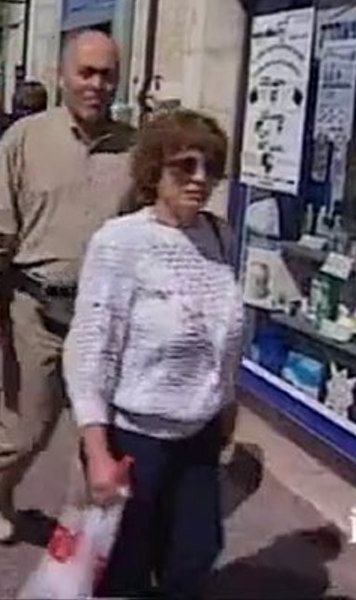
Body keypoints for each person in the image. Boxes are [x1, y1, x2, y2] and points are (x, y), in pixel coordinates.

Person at [63, 107, 244, 598]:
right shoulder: (121, 242)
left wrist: (226, 405)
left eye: (210, 167)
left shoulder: (220, 237)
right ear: (153, 171)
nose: (199, 179)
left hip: (199, 434)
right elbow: (89, 353)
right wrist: (98, 452)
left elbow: (223, 336)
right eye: (184, 166)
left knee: (195, 555)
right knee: (124, 568)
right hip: (135, 438)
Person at [0, 30, 136, 543]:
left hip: (104, 317)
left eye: (107, 74)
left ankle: (87, 523)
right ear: (62, 76)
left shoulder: (135, 149)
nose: (97, 85)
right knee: (27, 431)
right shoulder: (26, 139)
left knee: (101, 433)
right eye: (86, 72)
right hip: (34, 310)